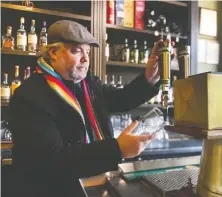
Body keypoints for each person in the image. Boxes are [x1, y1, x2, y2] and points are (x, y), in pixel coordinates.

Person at [8, 20, 162, 197]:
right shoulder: (29, 96)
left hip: (93, 185)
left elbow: (120, 99)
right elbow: (52, 159)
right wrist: (116, 149)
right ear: (53, 52)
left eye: (87, 51)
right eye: (77, 51)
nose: (86, 59)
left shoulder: (88, 83)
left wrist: (148, 79)